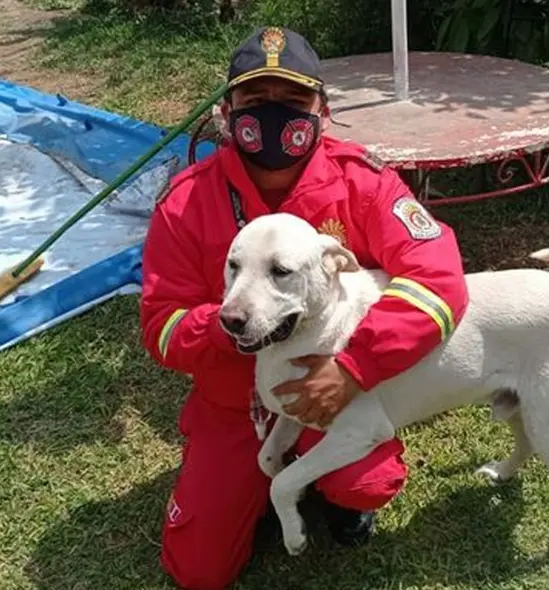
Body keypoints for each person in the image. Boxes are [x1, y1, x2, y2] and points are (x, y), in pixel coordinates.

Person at [139, 26, 469, 590]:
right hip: (230, 401)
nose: (273, 116)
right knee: (198, 571)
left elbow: (439, 280)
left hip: (333, 383)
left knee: (364, 482)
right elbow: (160, 324)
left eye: (293, 102)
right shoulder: (186, 202)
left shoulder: (362, 182)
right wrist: (230, 325)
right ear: (225, 112)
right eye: (253, 101)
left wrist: (353, 368)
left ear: (324, 109)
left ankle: (332, 488)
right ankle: (258, 482)